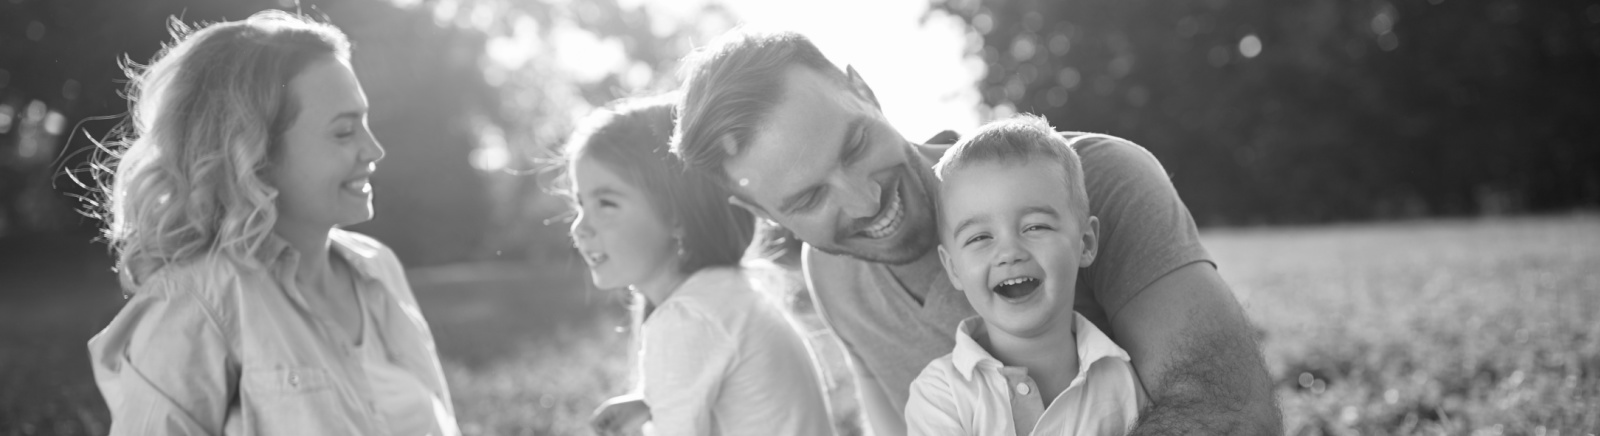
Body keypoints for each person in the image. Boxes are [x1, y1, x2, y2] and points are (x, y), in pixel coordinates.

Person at [672, 29, 1280, 435]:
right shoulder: (830, 272)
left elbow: (1230, 414)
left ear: (863, 90)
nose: (864, 200)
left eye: (855, 144)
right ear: (763, 215)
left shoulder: (1100, 176)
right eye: (807, 198)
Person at [86, 11, 459, 435]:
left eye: (365, 124)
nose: (373, 150)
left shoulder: (378, 268)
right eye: (343, 132)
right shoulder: (195, 303)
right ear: (255, 154)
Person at [565, 96, 833, 436]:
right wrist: (651, 402)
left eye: (606, 203)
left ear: (677, 216)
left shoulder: (687, 319)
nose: (580, 227)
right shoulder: (725, 294)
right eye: (579, 203)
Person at [905, 115, 1144, 435]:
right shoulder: (940, 395)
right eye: (979, 238)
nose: (1009, 252)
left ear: (1085, 243)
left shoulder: (1122, 381)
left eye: (1035, 227)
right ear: (953, 269)